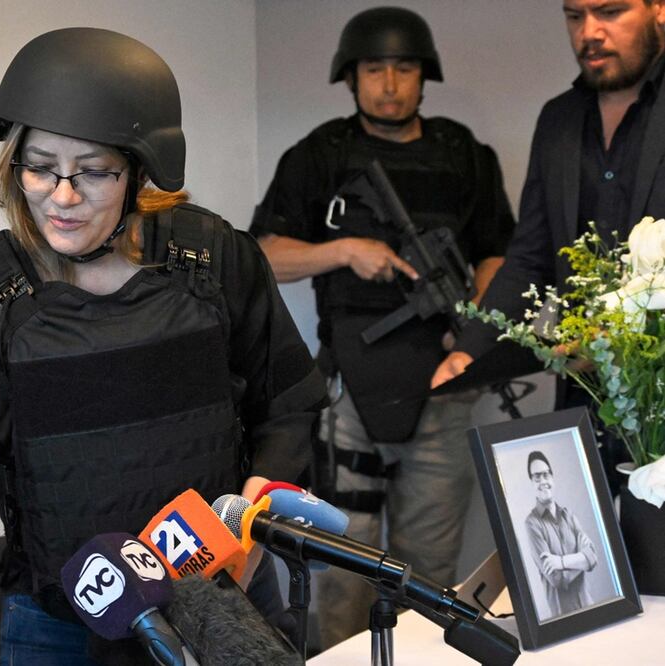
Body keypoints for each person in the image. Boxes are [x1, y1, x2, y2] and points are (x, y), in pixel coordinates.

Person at [0, 27, 327, 666]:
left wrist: (251, 517)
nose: (63, 197)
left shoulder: (214, 262)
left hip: (226, 601)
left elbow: (290, 402)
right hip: (59, 632)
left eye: (94, 172)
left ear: (141, 173)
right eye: (41, 168)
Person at [249, 7, 515, 650]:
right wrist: (343, 251)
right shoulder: (321, 156)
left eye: (404, 69)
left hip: (442, 389)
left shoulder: (463, 156)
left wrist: (473, 323)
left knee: (428, 573)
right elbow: (262, 253)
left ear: (425, 77)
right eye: (375, 69)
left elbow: (501, 253)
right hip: (348, 397)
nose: (390, 84)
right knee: (342, 573)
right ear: (352, 77)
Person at [432, 0, 665, 494]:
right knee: (591, 559)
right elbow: (531, 256)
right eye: (575, 16)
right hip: (583, 404)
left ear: (658, 9)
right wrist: (472, 348)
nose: (590, 32)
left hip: (660, 404)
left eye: (610, 12)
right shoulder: (559, 119)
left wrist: (617, 337)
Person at [524, 450, 598, 618]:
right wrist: (582, 559)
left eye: (546, 474)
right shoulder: (532, 524)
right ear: (531, 482)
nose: (543, 481)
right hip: (564, 618)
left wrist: (561, 562)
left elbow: (594, 557)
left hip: (590, 606)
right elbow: (557, 579)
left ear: (552, 477)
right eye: (537, 477)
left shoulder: (569, 515)